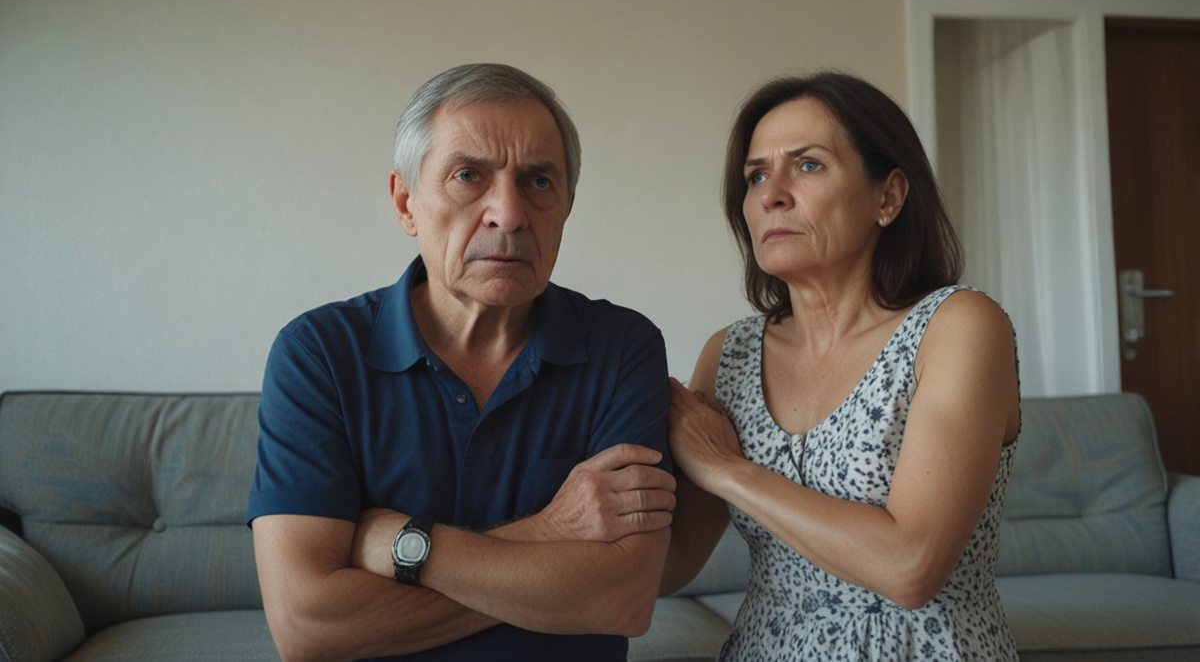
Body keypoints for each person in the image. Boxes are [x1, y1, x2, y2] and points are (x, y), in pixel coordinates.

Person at [246, 63, 676, 662]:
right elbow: (308, 625)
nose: (509, 214)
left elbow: (622, 598)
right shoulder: (317, 353)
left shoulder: (622, 347)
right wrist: (547, 533)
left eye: (538, 182)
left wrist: (399, 544)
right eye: (468, 176)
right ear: (406, 203)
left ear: (567, 207)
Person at [661, 72, 1021, 660]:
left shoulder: (959, 326)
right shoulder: (729, 354)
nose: (772, 195)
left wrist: (727, 471)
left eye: (807, 165)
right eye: (756, 176)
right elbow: (673, 564)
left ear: (889, 197)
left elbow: (911, 566)